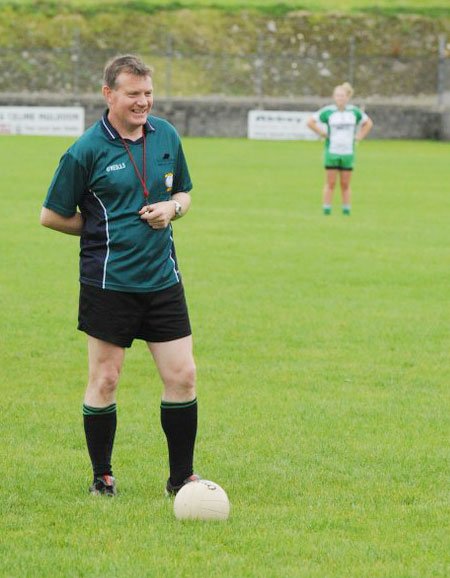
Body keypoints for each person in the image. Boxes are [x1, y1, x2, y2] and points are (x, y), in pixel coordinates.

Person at [40, 54, 199, 497]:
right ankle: (102, 476)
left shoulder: (165, 134)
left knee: (183, 376)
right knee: (106, 379)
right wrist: (102, 228)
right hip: (108, 284)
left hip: (163, 280)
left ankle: (181, 478)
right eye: (133, 94)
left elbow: (183, 191)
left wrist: (173, 208)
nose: (143, 102)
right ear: (108, 94)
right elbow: (50, 216)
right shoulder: (85, 151)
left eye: (148, 93)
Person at [307, 82, 373, 215]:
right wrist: (322, 133)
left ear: (347, 97)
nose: (340, 98)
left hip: (348, 152)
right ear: (334, 97)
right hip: (332, 151)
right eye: (337, 95)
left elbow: (368, 123)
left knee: (345, 183)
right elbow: (310, 121)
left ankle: (346, 209)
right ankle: (326, 208)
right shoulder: (328, 111)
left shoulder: (354, 112)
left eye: (342, 96)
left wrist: (359, 137)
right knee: (330, 182)